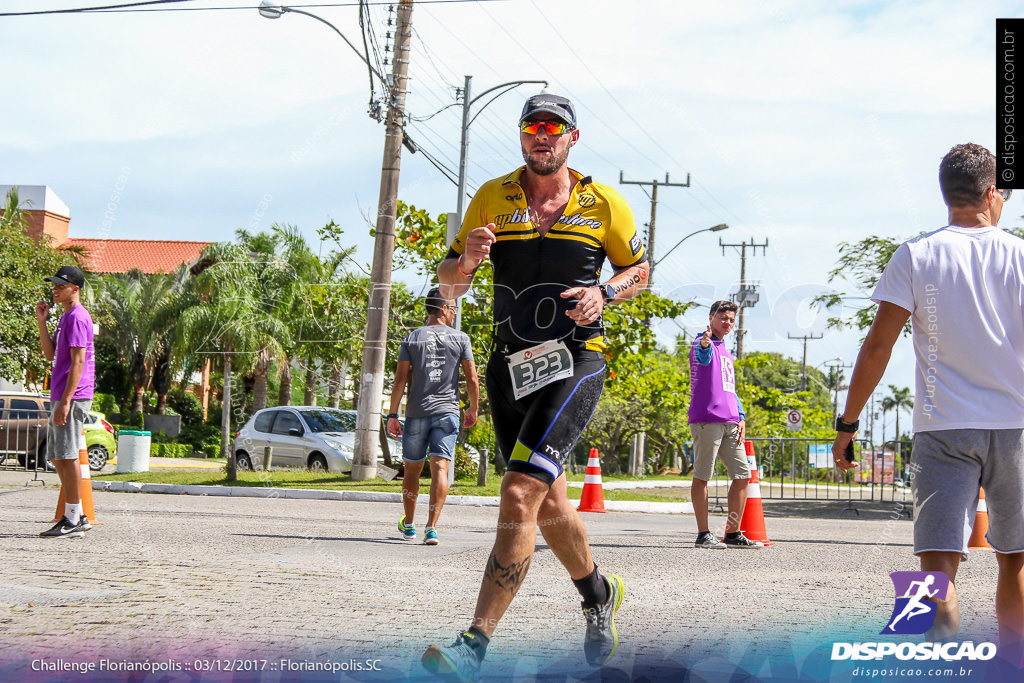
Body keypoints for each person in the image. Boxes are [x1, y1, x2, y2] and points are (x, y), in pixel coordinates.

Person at [421, 93, 649, 680]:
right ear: (522, 137)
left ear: (573, 137)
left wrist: (607, 293)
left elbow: (640, 272)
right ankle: (599, 595)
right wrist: (465, 262)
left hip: (577, 360)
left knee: (519, 493)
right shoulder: (492, 197)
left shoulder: (605, 205)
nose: (540, 136)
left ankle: (474, 644)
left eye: (553, 128)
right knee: (550, 504)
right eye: (531, 127)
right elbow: (448, 286)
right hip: (510, 370)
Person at [833, 143, 1024, 664]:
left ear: (946, 195)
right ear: (991, 193)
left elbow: (877, 347)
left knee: (935, 572)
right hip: (1018, 429)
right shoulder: (1020, 254)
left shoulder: (915, 254)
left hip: (943, 428)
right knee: (1017, 563)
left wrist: (847, 423)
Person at [387, 287, 479, 546]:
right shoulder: (461, 338)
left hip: (417, 414)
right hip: (447, 412)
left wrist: (393, 414)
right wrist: (472, 408)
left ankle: (409, 524)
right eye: (453, 308)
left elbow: (400, 380)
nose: (454, 313)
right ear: (443, 309)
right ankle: (432, 527)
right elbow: (472, 378)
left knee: (412, 471)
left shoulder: (412, 338)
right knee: (440, 468)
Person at [688, 300, 761, 549]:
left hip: (731, 422)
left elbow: (730, 388)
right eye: (723, 318)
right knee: (703, 476)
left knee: (743, 475)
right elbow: (703, 356)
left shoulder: (726, 351)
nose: (727, 323)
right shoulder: (703, 343)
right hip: (707, 420)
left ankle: (733, 533)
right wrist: (707, 342)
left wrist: (741, 416)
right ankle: (703, 534)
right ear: (711, 318)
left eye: (731, 319)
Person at [36, 265, 95, 539]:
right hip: (61, 394)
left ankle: (74, 519)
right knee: (58, 456)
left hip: (73, 395)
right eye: (54, 284)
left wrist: (67, 401)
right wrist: (42, 321)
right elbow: (50, 355)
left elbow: (79, 360)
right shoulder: (65, 317)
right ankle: (76, 514)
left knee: (68, 455)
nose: (55, 288)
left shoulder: (77, 317)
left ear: (76, 288)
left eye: (61, 284)